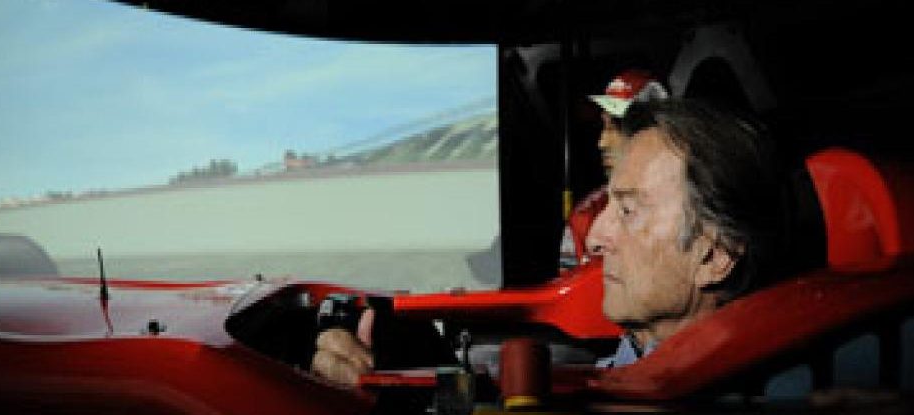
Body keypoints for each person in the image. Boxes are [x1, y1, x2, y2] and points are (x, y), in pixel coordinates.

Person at [312, 98, 787, 384]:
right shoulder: (626, 368)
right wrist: (399, 373)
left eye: (628, 210)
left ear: (714, 255)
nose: (596, 237)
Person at [562, 69, 670, 267]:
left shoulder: (689, 209)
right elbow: (570, 281)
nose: (602, 142)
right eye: (603, 126)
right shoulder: (585, 217)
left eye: (616, 127)